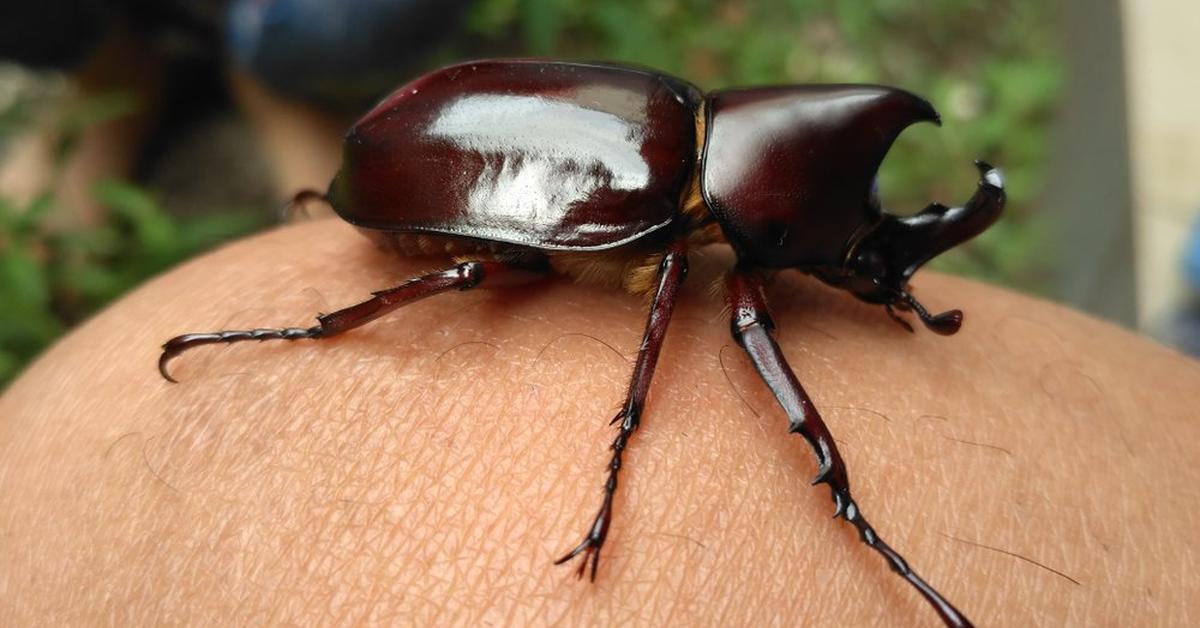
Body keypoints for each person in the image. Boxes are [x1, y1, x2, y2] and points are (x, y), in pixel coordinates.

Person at [1, 219, 1197, 625]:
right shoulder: (684, 247)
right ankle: (322, 331)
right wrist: (620, 438)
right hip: (426, 195)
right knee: (477, 281)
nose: (868, 277)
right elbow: (709, 317)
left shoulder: (713, 212)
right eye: (854, 256)